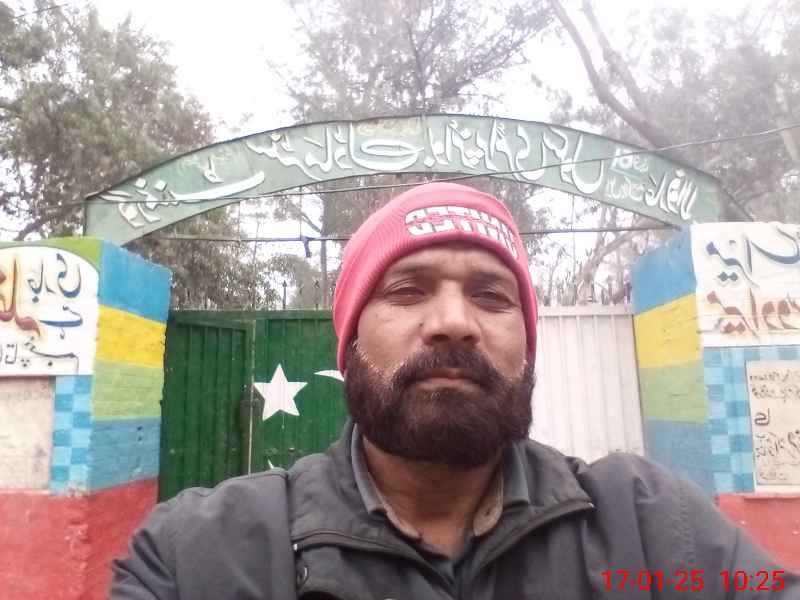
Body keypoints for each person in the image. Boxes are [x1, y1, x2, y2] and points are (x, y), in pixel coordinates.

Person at [111, 182, 799, 599]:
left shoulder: (650, 532)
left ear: (528, 341)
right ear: (348, 344)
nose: (453, 322)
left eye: (491, 296)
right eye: (408, 290)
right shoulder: (195, 557)